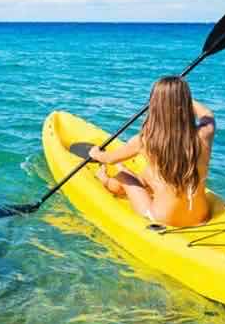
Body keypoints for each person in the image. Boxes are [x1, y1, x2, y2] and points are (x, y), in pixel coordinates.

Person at [88, 76, 215, 227]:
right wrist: (181, 97)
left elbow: (108, 159)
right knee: (150, 172)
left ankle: (105, 179)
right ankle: (137, 178)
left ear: (155, 105)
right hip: (201, 217)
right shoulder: (205, 133)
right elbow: (207, 114)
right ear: (185, 103)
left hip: (163, 219)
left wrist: (95, 153)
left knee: (124, 176)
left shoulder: (145, 140)